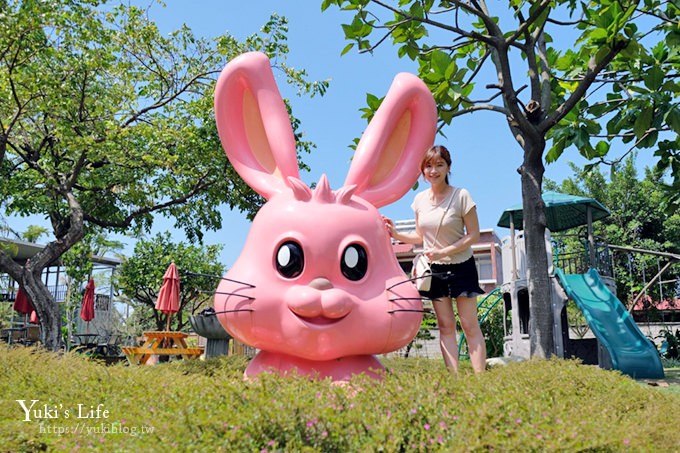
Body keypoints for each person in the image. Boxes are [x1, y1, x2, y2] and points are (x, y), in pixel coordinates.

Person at [384, 145, 487, 373]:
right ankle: (455, 379)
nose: (433, 170)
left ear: (448, 167)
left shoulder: (461, 196)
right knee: (445, 326)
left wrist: (445, 251)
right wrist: (396, 233)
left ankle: (482, 381)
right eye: (429, 166)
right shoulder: (419, 200)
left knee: (470, 326)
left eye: (439, 165)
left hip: (462, 267)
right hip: (435, 271)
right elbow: (420, 236)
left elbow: (474, 235)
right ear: (423, 171)